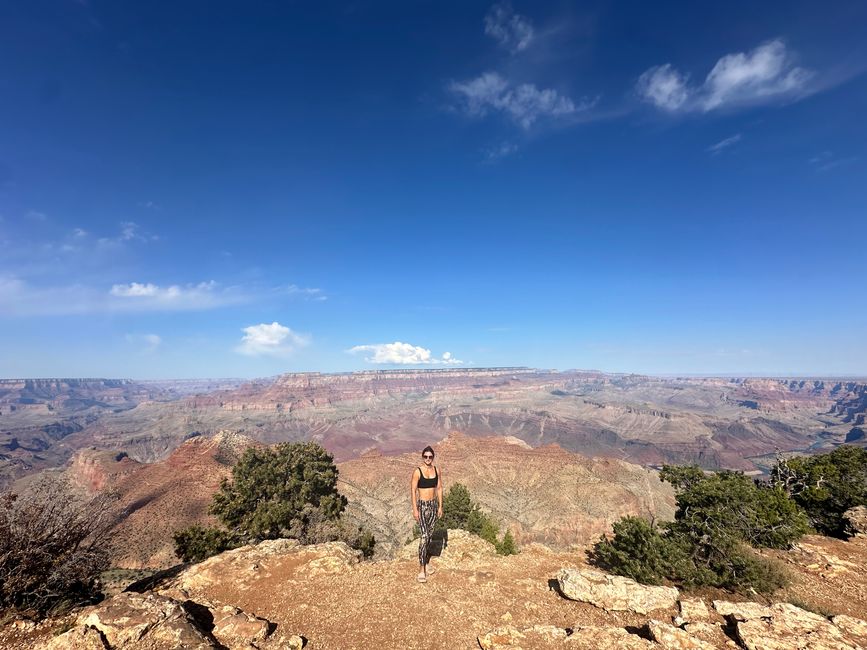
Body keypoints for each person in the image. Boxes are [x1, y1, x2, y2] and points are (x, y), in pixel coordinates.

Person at [411, 445, 443, 582]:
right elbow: (413, 491)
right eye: (425, 456)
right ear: (422, 457)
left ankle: (426, 559)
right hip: (423, 506)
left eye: (430, 456)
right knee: (424, 536)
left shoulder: (437, 470)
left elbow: (440, 488)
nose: (428, 459)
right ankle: (421, 569)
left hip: (433, 505)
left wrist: (440, 506)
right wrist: (415, 509)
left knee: (429, 535)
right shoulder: (418, 472)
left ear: (433, 457)